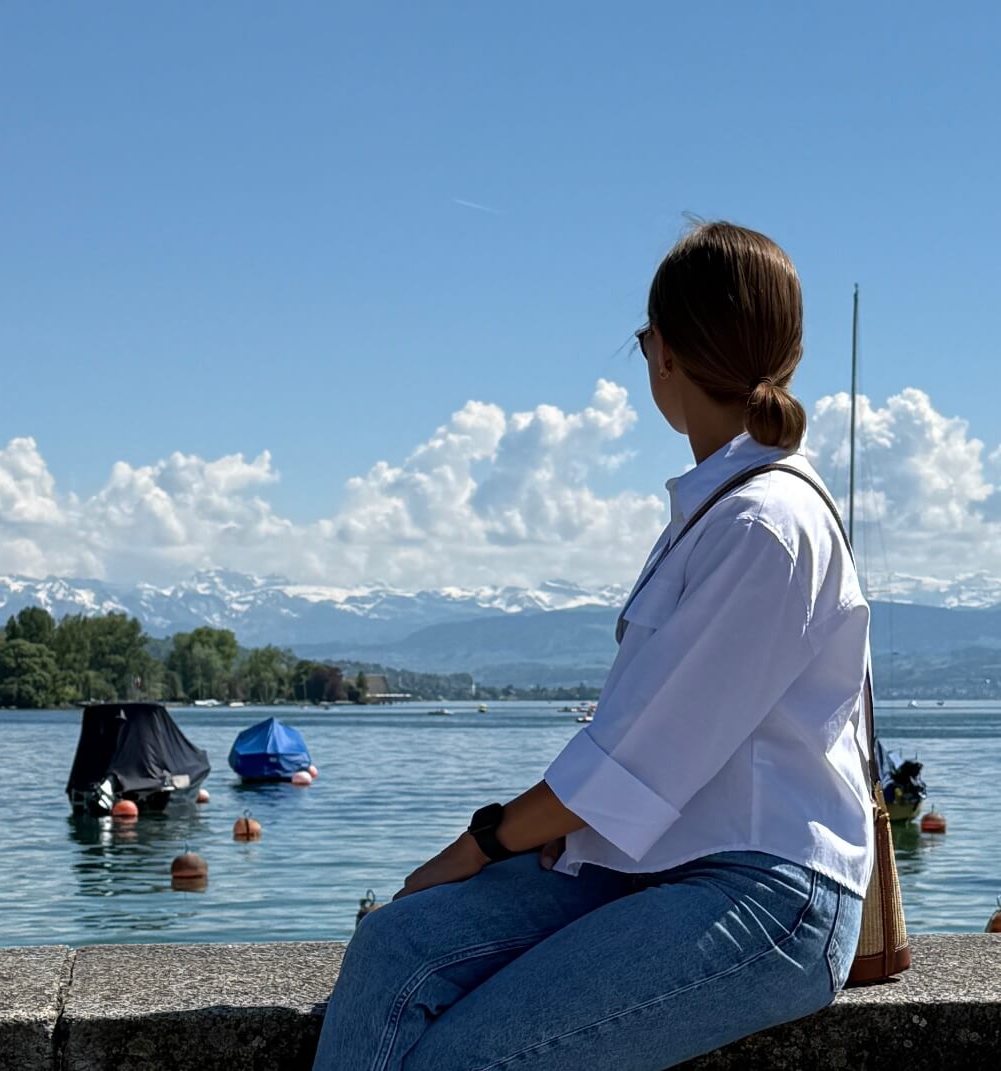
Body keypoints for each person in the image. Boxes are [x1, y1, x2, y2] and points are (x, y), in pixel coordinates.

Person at [311, 221, 872, 1071]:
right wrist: (568, 832)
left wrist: (477, 845)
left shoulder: (767, 526)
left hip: (764, 888)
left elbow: (635, 757)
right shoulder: (722, 512)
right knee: (393, 950)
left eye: (646, 336)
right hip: (656, 859)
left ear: (667, 354)